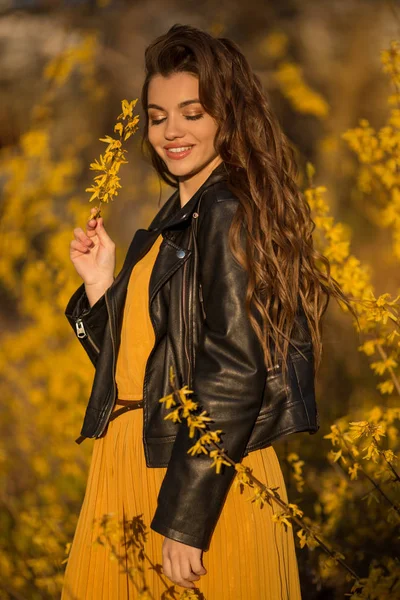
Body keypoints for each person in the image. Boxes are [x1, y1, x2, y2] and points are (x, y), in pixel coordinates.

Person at [61, 23, 357, 600]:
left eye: (192, 113)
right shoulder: (180, 217)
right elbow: (152, 373)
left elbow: (233, 372)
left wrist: (187, 521)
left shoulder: (226, 211)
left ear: (228, 116)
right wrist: (102, 290)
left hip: (191, 483)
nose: (171, 131)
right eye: (157, 115)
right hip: (141, 467)